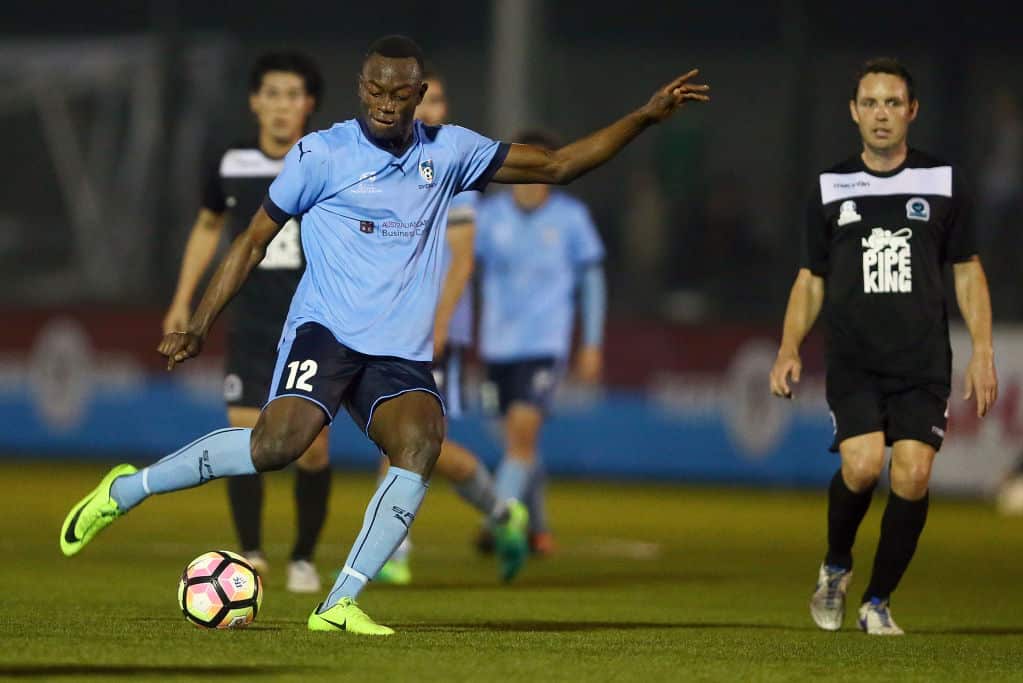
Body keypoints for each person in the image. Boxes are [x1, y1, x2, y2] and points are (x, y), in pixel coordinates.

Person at [60, 34, 710, 636]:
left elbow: (561, 164)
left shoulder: (448, 150)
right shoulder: (322, 154)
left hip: (396, 350)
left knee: (423, 443)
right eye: (375, 90)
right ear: (361, 87)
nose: (385, 103)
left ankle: (339, 601)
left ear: (419, 94)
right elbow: (252, 239)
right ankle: (125, 490)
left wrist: (645, 117)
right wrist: (199, 322)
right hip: (326, 331)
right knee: (275, 446)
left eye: (399, 93)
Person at [769, 58, 997, 635]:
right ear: (853, 111)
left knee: (913, 476)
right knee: (865, 463)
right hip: (855, 358)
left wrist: (984, 351)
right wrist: (789, 346)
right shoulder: (830, 187)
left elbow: (967, 270)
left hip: (922, 359)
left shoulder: (944, 181)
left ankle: (877, 601)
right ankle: (836, 566)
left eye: (893, 103)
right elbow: (810, 278)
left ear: (912, 112)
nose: (881, 114)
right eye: (870, 103)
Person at [162, 51, 328, 593]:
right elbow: (209, 225)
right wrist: (183, 300)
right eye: (272, 94)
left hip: (311, 324)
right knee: (243, 437)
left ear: (310, 105)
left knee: (312, 448)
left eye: (293, 95)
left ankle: (303, 557)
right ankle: (252, 553)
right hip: (252, 322)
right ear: (255, 101)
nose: (282, 106)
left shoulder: (327, 159)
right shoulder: (232, 163)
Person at [376, 67, 527, 585]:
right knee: (413, 444)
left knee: (405, 440)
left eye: (437, 99)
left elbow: (461, 262)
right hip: (391, 329)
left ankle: (392, 551)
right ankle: (504, 512)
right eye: (423, 100)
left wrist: (437, 328)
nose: (429, 108)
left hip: (435, 332)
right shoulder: (387, 169)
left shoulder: (453, 173)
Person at [473, 129, 607, 557]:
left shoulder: (570, 218)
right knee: (516, 445)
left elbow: (592, 280)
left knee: (522, 437)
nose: (530, 182)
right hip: (495, 348)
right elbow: (459, 270)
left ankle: (499, 519)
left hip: (544, 346)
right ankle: (539, 527)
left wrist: (591, 343)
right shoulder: (488, 217)